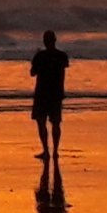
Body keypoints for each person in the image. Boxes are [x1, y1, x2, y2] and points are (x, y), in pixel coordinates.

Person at [29, 30, 70, 159]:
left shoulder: (40, 56)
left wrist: (35, 59)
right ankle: (55, 151)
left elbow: (32, 73)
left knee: (41, 122)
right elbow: (64, 69)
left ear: (44, 41)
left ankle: (46, 150)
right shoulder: (62, 56)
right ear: (55, 40)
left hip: (42, 92)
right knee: (56, 122)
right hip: (56, 92)